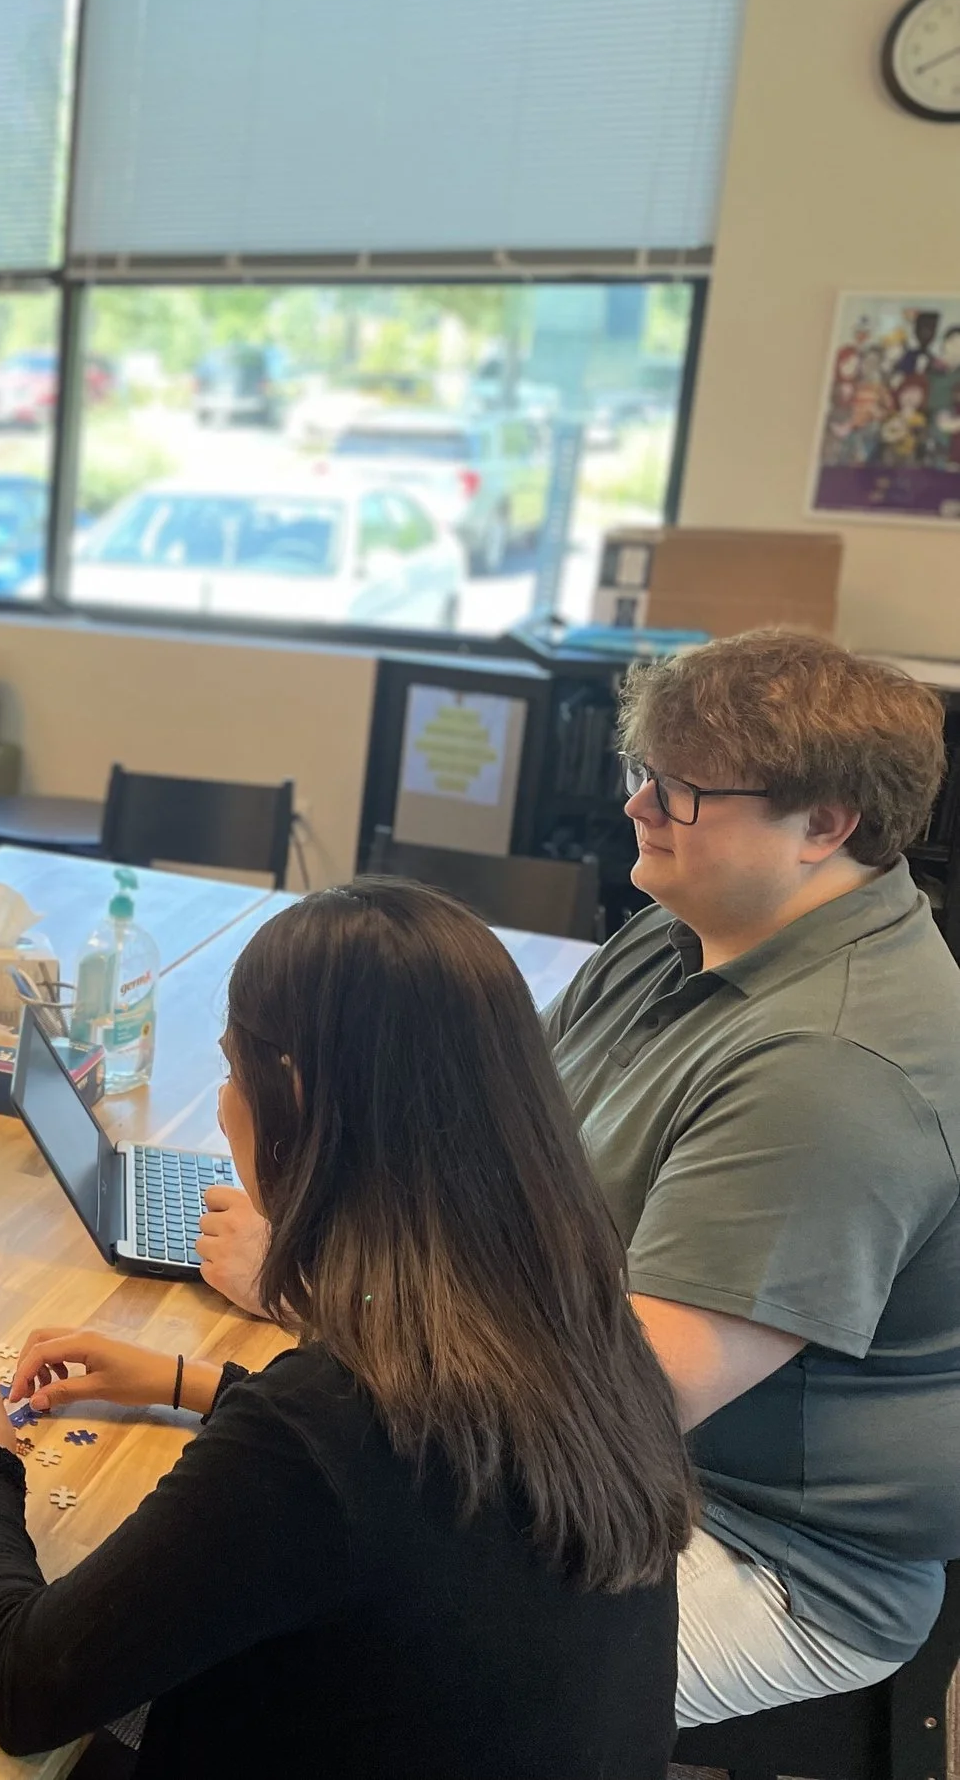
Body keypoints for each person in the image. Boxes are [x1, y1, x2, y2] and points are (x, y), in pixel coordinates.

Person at [196, 629, 960, 1727]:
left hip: (754, 1548)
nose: (636, 807)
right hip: (588, 1452)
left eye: (681, 790)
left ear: (825, 825)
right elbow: (486, 1163)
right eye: (641, 772)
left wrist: (319, 1289)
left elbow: (620, 1409)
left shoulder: (834, 1071)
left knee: (299, 1667)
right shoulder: (679, 934)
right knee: (235, 1573)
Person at [0, 880, 696, 1779]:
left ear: (293, 1095)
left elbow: (26, 1688)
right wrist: (194, 1384)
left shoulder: (317, 1433)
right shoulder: (580, 1309)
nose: (222, 1106)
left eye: (232, 1073)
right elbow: (427, 1491)